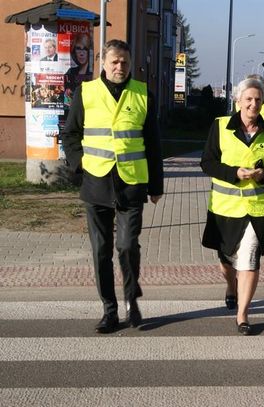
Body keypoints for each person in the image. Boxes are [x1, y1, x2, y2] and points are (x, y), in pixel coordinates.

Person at [62, 39, 164, 334]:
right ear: (103, 63)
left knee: (127, 245)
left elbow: (153, 143)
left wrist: (156, 184)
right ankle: (110, 310)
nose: (120, 67)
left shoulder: (144, 94)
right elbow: (70, 134)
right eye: (114, 62)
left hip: (132, 182)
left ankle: (132, 298)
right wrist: (78, 163)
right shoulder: (87, 92)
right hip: (96, 183)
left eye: (125, 62)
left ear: (131, 64)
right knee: (100, 251)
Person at [200, 78, 264, 336]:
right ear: (238, 101)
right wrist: (235, 172)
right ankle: (231, 287)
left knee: (248, 258)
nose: (253, 104)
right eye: (248, 99)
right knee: (226, 260)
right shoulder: (221, 126)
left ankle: (243, 314)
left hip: (257, 209)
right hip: (225, 208)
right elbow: (207, 163)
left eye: (258, 99)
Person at [65, 33, 93, 102]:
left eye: (85, 49)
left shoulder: (93, 71)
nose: (81, 53)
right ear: (74, 51)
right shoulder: (70, 71)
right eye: (78, 49)